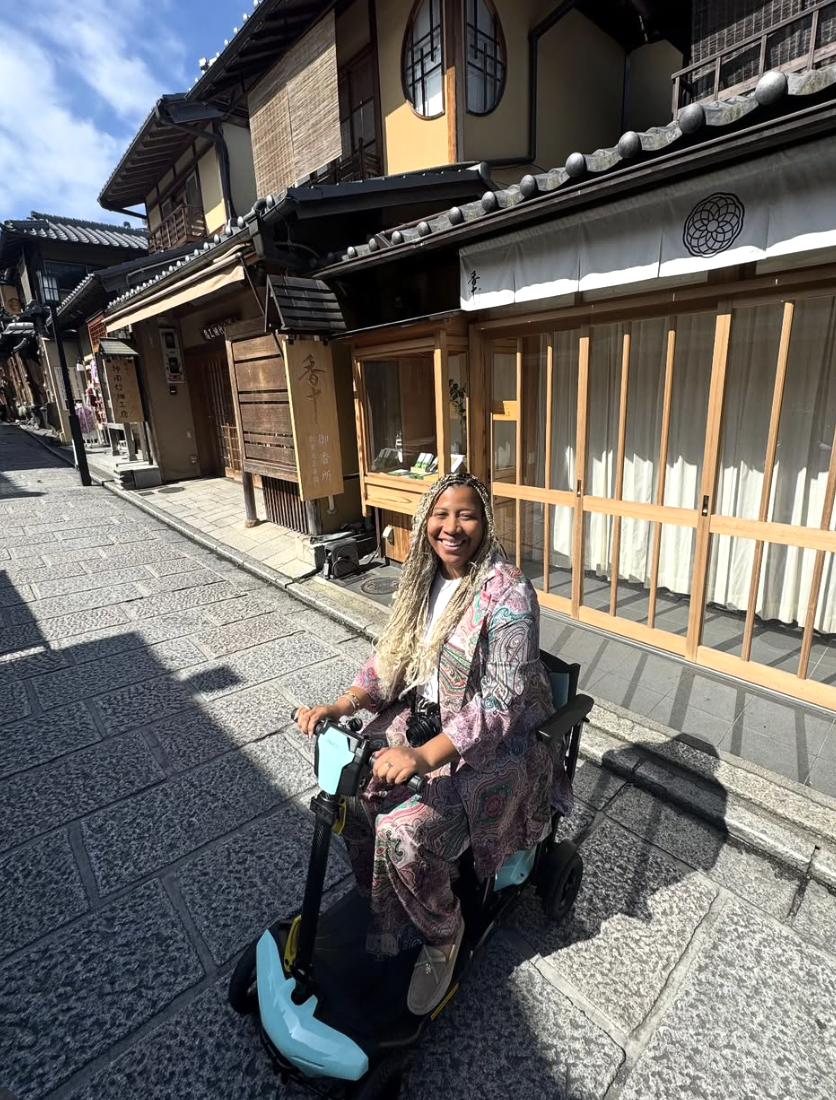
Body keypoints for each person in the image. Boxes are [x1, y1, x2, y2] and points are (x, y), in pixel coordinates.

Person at [294, 473, 572, 1015]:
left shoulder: (509, 591)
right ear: (426, 522)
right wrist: (342, 704)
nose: (452, 527)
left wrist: (423, 756)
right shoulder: (423, 577)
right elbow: (392, 659)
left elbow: (497, 705)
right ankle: (394, 899)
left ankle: (443, 935)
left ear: (485, 521)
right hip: (431, 718)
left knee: (404, 832)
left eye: (466, 514)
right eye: (441, 515)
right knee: (354, 789)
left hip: (506, 747)